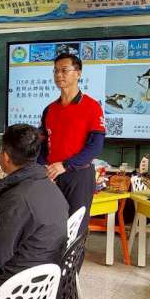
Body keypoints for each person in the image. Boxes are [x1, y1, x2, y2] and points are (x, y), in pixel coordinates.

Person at [0, 125, 68, 291]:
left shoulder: (16, 198)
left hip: (13, 287)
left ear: (5, 156)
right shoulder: (49, 186)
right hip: (42, 281)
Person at [38, 53, 105, 236]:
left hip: (79, 175)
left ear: (78, 73)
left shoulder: (92, 107)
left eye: (65, 70)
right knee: (50, 227)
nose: (59, 75)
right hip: (52, 176)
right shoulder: (49, 109)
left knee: (76, 227)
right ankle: (52, 265)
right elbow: (43, 144)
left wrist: (65, 165)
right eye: (56, 71)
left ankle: (72, 265)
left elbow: (95, 146)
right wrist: (44, 166)